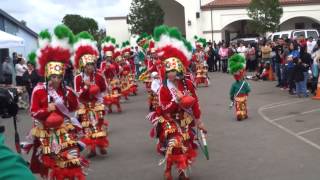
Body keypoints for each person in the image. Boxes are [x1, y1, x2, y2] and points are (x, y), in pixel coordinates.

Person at [26, 25, 87, 179]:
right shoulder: (38, 90)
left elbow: (74, 108)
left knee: (72, 158)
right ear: (47, 75)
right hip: (46, 129)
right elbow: (33, 112)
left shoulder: (66, 90)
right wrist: (47, 109)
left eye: (59, 77)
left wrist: (75, 98)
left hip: (64, 128)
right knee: (49, 162)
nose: (57, 80)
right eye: (53, 76)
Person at [152, 26, 207, 180]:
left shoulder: (188, 84)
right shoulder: (163, 88)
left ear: (180, 70)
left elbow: (195, 103)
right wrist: (176, 100)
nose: (170, 74)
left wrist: (199, 121)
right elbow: (165, 109)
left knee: (186, 144)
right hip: (169, 119)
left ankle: (182, 171)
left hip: (185, 118)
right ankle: (168, 169)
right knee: (174, 144)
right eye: (168, 71)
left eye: (173, 71)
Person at [73, 31, 109, 158]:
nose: (91, 67)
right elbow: (77, 93)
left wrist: (100, 97)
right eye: (88, 65)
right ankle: (91, 148)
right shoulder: (78, 78)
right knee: (87, 128)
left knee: (98, 125)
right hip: (84, 105)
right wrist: (86, 87)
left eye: (92, 64)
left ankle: (101, 145)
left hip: (97, 103)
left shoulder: (99, 75)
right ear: (83, 65)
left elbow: (105, 89)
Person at [228, 54, 251, 121]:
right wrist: (247, 94)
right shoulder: (245, 83)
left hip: (237, 97)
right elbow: (248, 90)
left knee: (238, 106)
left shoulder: (234, 84)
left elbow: (231, 92)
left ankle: (239, 114)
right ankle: (245, 114)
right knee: (244, 105)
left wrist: (231, 97)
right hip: (243, 97)